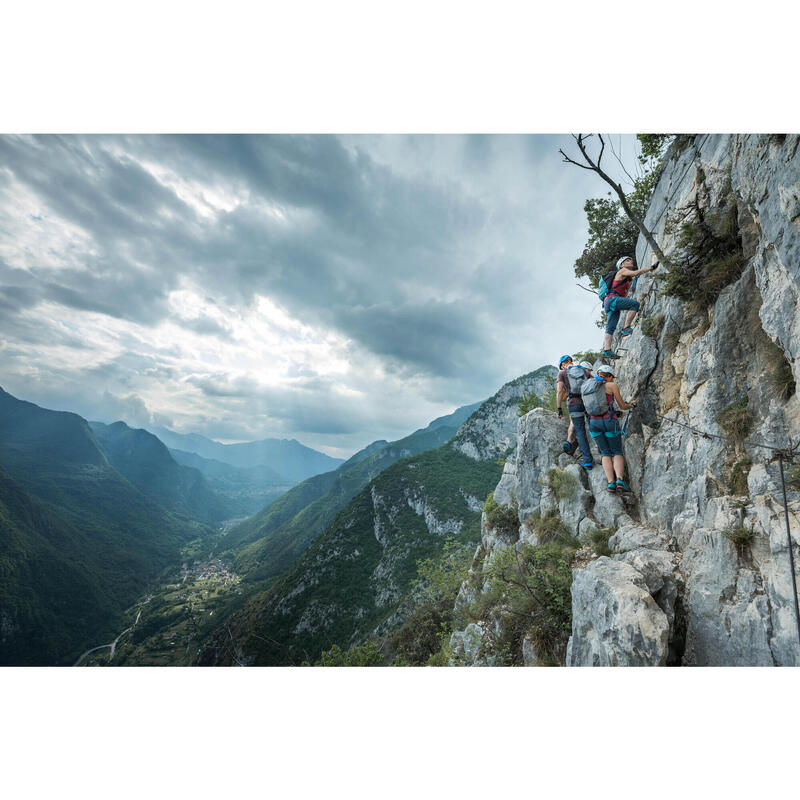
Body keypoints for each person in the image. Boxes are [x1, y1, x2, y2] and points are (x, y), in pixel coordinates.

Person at [584, 363, 635, 492]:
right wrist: (632, 406)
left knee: (605, 453)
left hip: (594, 423)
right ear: (610, 376)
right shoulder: (612, 385)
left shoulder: (587, 386)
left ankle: (611, 483)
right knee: (617, 451)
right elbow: (622, 405)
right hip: (609, 422)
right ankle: (619, 480)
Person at [601, 256, 658, 360]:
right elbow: (636, 273)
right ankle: (626, 328)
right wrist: (651, 267)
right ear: (621, 265)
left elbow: (627, 293)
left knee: (610, 328)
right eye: (627, 260)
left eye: (631, 259)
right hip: (612, 300)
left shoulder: (626, 279)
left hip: (609, 302)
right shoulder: (622, 271)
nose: (631, 261)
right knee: (635, 304)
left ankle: (607, 350)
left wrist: (634, 280)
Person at [556, 356, 594, 470]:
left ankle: (587, 461)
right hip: (588, 402)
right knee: (593, 427)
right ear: (571, 361)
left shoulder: (562, 373)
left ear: (563, 364)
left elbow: (559, 391)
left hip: (574, 404)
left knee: (581, 431)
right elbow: (594, 383)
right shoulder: (583, 370)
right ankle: (603, 452)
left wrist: (559, 408)